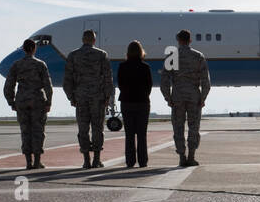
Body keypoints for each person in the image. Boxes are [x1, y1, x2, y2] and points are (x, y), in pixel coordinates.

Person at [63, 30, 113, 169]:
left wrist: (71, 97)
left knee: (83, 129)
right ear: (94, 40)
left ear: (82, 39)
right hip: (98, 97)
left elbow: (67, 80)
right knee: (97, 128)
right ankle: (97, 159)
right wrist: (107, 97)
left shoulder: (73, 56)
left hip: (81, 97)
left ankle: (86, 160)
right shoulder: (101, 55)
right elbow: (108, 78)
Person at [160, 29, 210, 167]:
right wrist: (203, 98)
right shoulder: (198, 56)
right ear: (190, 40)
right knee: (194, 127)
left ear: (178, 40)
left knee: (178, 128)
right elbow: (206, 81)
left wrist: (168, 98)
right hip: (194, 96)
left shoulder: (172, 57)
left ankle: (182, 157)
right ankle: (192, 156)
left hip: (178, 96)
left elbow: (164, 80)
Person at [3, 38, 53, 169]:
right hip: (38, 101)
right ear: (34, 49)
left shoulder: (16, 65)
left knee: (25, 131)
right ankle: (37, 161)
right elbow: (48, 85)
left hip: (22, 101)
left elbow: (8, 86)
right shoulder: (40, 64)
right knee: (38, 131)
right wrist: (49, 102)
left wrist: (11, 102)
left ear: (24, 49)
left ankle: (28, 162)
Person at [117, 40, 153, 168]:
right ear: (141, 51)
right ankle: (143, 161)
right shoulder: (145, 67)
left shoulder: (122, 66)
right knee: (142, 134)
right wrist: (143, 95)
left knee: (129, 134)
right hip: (142, 102)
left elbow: (120, 84)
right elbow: (149, 85)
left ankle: (130, 161)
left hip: (127, 102)